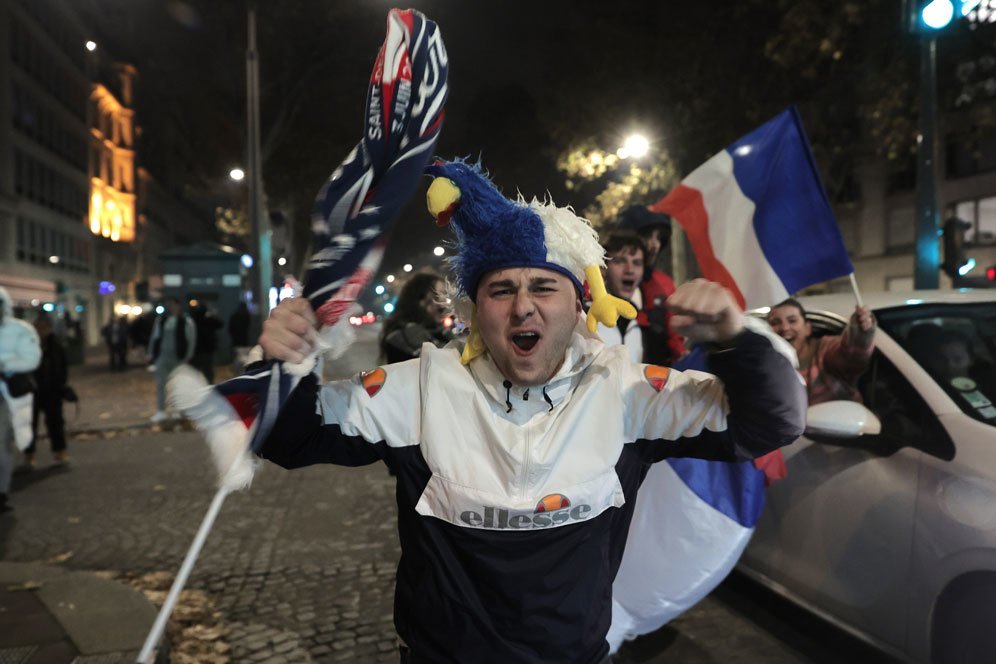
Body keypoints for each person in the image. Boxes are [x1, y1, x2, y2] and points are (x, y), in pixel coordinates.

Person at [254, 160, 806, 663]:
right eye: (501, 290)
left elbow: (770, 423)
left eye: (544, 286)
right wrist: (283, 361)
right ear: (474, 309)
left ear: (578, 307)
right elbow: (289, 439)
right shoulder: (417, 388)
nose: (523, 305)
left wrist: (739, 340)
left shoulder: (628, 393)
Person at [767, 297, 876, 405]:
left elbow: (851, 355)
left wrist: (860, 330)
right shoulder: (765, 365)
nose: (784, 328)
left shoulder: (824, 350)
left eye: (792, 320)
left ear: (807, 328)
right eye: (775, 322)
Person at [618, 205, 685, 366]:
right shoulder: (601, 281)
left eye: (659, 238)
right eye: (648, 236)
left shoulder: (664, 285)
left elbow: (676, 340)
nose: (655, 245)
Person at [0, 287, 42, 512]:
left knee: (2, 444)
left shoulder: (20, 330)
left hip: (8, 395)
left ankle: (1, 491)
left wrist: (5, 365)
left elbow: (32, 359)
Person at [24, 314, 69, 468]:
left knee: (55, 423)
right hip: (32, 392)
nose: (41, 331)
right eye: (38, 327)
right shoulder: (27, 345)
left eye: (44, 328)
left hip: (52, 391)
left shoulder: (55, 346)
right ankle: (29, 455)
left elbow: (62, 368)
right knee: (30, 424)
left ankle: (59, 452)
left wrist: (60, 386)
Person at [379, 273, 449, 364]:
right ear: (421, 300)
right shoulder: (407, 334)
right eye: (440, 294)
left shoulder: (438, 330)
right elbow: (446, 361)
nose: (445, 301)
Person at [597, 232, 646, 362]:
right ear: (603, 269)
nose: (629, 269)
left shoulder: (649, 326)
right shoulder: (585, 317)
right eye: (620, 261)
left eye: (637, 263)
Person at [147, 296, 196, 423]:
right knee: (160, 384)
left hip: (178, 357)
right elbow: (155, 337)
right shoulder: (161, 320)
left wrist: (188, 356)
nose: (170, 307)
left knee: (177, 385)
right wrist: (151, 353)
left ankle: (176, 410)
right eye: (168, 304)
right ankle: (161, 410)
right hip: (163, 356)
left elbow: (191, 339)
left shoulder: (186, 321)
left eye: (172, 304)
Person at [190, 304, 222, 383]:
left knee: (196, 372)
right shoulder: (208, 320)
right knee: (207, 372)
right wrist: (211, 316)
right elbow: (220, 324)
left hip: (197, 350)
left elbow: (220, 324)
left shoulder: (193, 320)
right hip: (206, 350)